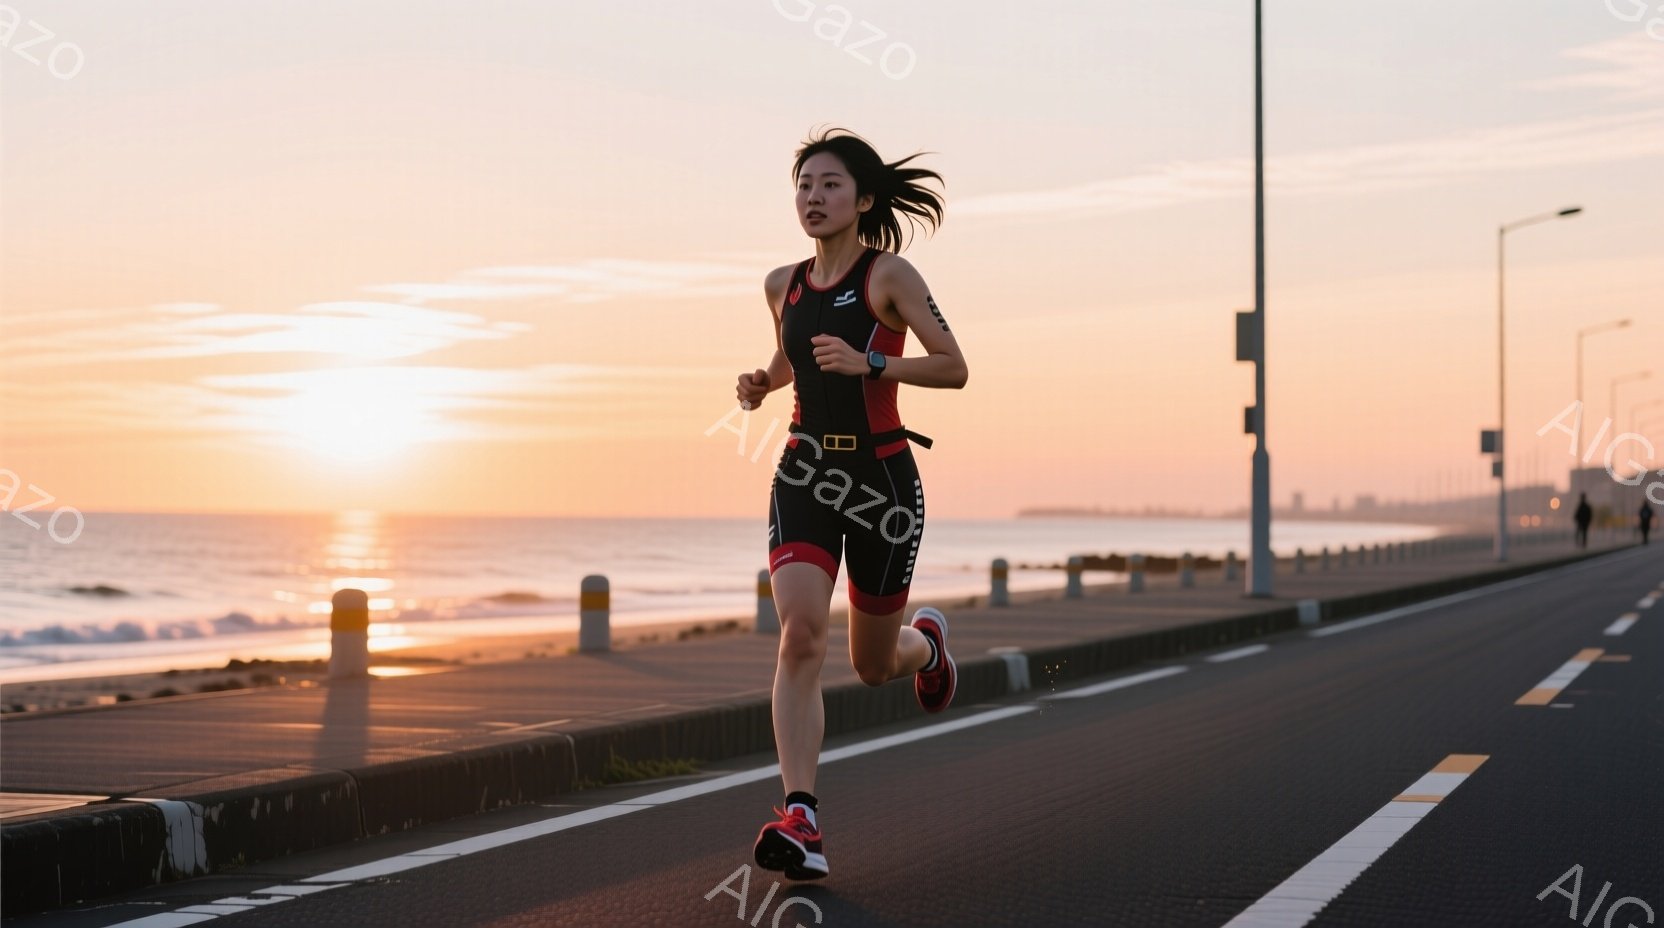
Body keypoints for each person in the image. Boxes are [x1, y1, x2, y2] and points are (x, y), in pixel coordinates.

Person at [734, 127, 967, 881]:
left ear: (863, 200)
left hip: (882, 485)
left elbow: (954, 368)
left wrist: (873, 360)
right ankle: (800, 815)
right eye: (804, 185)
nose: (813, 197)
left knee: (872, 666)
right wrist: (763, 383)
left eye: (830, 185)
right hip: (804, 474)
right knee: (800, 635)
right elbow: (794, 347)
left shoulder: (889, 275)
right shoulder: (782, 283)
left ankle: (926, 647)